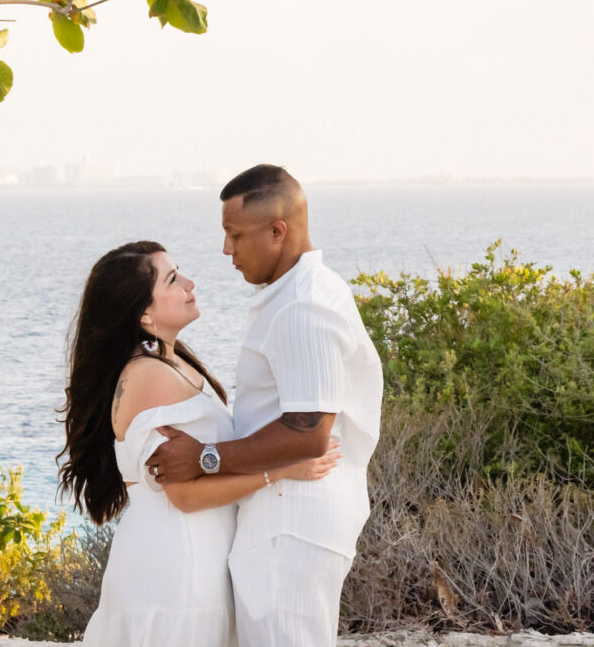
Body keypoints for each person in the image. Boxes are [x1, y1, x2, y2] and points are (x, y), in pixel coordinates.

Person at [58, 240, 342, 647]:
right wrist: (279, 470)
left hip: (187, 559)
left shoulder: (170, 363)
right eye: (173, 279)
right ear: (143, 312)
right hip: (177, 571)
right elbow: (184, 496)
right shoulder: (150, 377)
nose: (190, 283)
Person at [146, 165, 384, 647]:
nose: (226, 250)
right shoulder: (296, 297)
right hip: (285, 517)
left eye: (234, 234)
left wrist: (205, 457)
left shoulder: (304, 308)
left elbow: (308, 431)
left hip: (293, 522)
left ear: (278, 231)